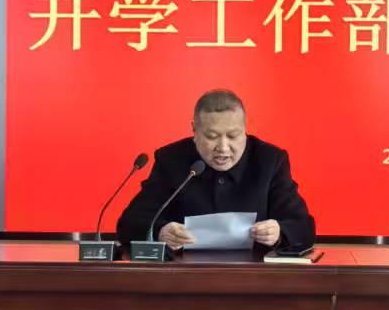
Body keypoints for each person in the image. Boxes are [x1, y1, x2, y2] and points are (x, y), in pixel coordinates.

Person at [116, 88, 315, 251]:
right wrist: (160, 232)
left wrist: (279, 232)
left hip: (255, 276)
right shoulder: (171, 160)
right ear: (194, 130)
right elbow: (129, 224)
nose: (223, 147)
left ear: (245, 130)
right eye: (211, 136)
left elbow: (303, 227)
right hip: (183, 277)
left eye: (233, 136)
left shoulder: (270, 160)